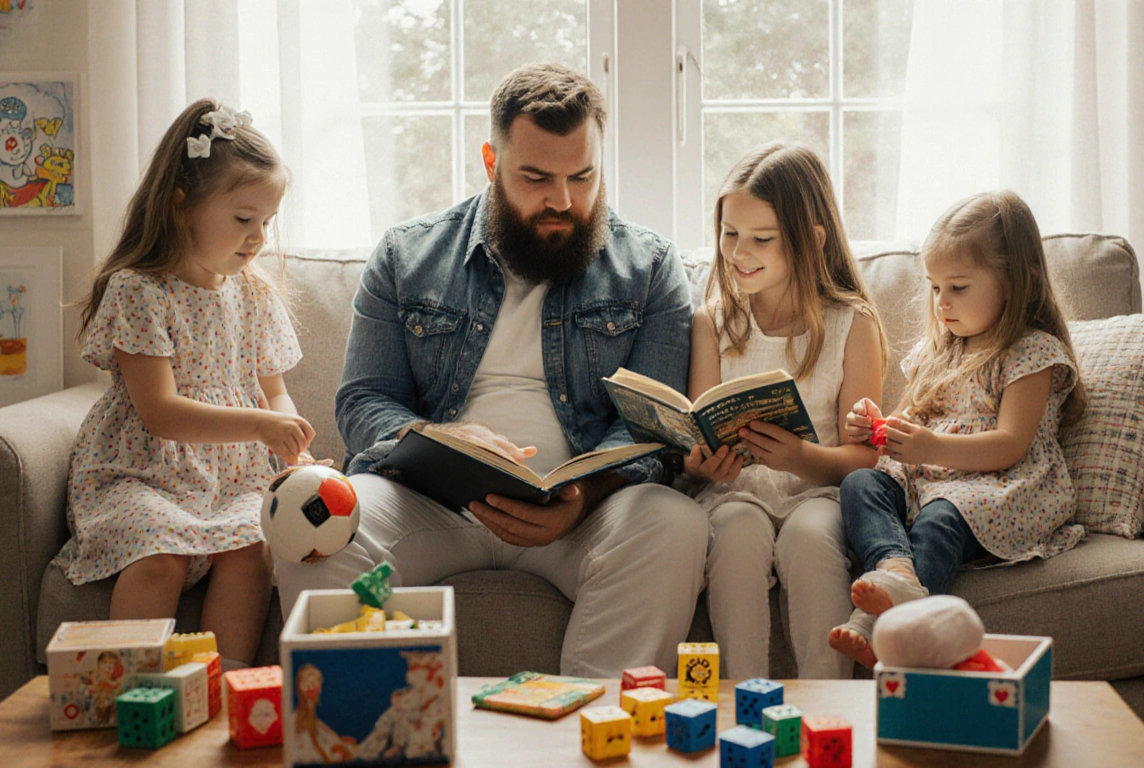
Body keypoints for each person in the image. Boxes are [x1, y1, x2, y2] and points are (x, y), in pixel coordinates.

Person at [274, 64, 707, 677]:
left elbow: (650, 426)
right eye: (536, 177)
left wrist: (580, 501)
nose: (563, 200)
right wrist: (439, 441)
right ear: (491, 160)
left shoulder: (651, 266)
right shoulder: (407, 255)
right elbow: (365, 400)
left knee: (675, 523)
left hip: (580, 516)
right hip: (432, 504)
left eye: (582, 176)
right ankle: (369, 735)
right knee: (315, 516)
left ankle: (598, 734)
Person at [52, 98, 313, 670]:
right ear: (181, 206)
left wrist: (292, 446)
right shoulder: (138, 290)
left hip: (233, 478)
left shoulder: (254, 293)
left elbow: (274, 393)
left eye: (266, 223)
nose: (258, 239)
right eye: (243, 219)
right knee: (160, 552)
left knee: (251, 549)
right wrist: (263, 425)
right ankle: (132, 699)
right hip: (142, 472)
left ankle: (221, 696)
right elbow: (162, 413)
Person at [829, 190, 1086, 668]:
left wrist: (928, 445)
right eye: (934, 288)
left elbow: (1010, 444)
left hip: (993, 485)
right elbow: (905, 420)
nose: (942, 303)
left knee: (940, 518)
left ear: (1013, 282)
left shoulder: (1031, 352)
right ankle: (896, 570)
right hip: (930, 479)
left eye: (959, 288)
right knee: (860, 482)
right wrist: (874, 425)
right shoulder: (938, 351)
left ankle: (879, 623)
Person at [685, 144, 886, 680]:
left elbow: (866, 459)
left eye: (761, 239)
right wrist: (699, 463)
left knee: (811, 539)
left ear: (811, 239)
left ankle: (828, 707)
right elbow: (696, 434)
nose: (739, 252)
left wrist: (799, 456)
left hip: (817, 493)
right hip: (734, 492)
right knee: (736, 536)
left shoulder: (852, 326)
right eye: (730, 233)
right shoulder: (714, 323)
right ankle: (741, 704)